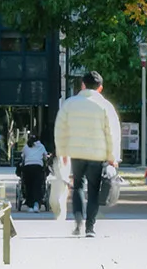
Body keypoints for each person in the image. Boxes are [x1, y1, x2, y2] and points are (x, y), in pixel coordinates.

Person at [52, 70, 122, 237]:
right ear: (100, 88)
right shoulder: (105, 106)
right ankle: (90, 227)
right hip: (97, 156)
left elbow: (60, 130)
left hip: (76, 153)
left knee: (77, 186)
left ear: (82, 85)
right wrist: (112, 157)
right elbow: (112, 132)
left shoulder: (69, 104)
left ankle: (77, 221)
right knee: (93, 190)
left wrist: (62, 151)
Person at [18, 131, 52, 213]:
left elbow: (23, 157)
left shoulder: (26, 147)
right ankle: (36, 204)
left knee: (28, 186)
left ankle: (30, 205)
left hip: (27, 168)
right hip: (38, 168)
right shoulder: (41, 146)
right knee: (37, 186)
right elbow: (45, 157)